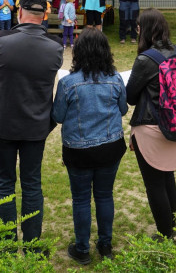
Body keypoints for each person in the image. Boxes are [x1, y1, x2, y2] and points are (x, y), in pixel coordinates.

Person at [0, 0, 63, 248]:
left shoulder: (1, 40)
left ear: (19, 11)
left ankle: (6, 243)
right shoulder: (55, 47)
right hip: (35, 125)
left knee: (4, 183)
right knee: (32, 184)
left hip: (2, 123)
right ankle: (33, 244)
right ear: (45, 14)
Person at [51, 29, 127, 264]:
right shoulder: (115, 79)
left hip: (78, 150)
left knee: (81, 199)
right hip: (110, 146)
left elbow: (58, 115)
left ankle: (82, 248)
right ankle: (105, 244)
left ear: (79, 52)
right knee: (105, 195)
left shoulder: (67, 83)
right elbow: (123, 109)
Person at [126, 9, 176, 240]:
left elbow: (130, 96)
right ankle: (171, 226)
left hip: (150, 128)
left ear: (146, 29)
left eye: (138, 26)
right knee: (167, 177)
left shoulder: (145, 59)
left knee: (154, 184)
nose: (136, 29)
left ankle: (166, 234)